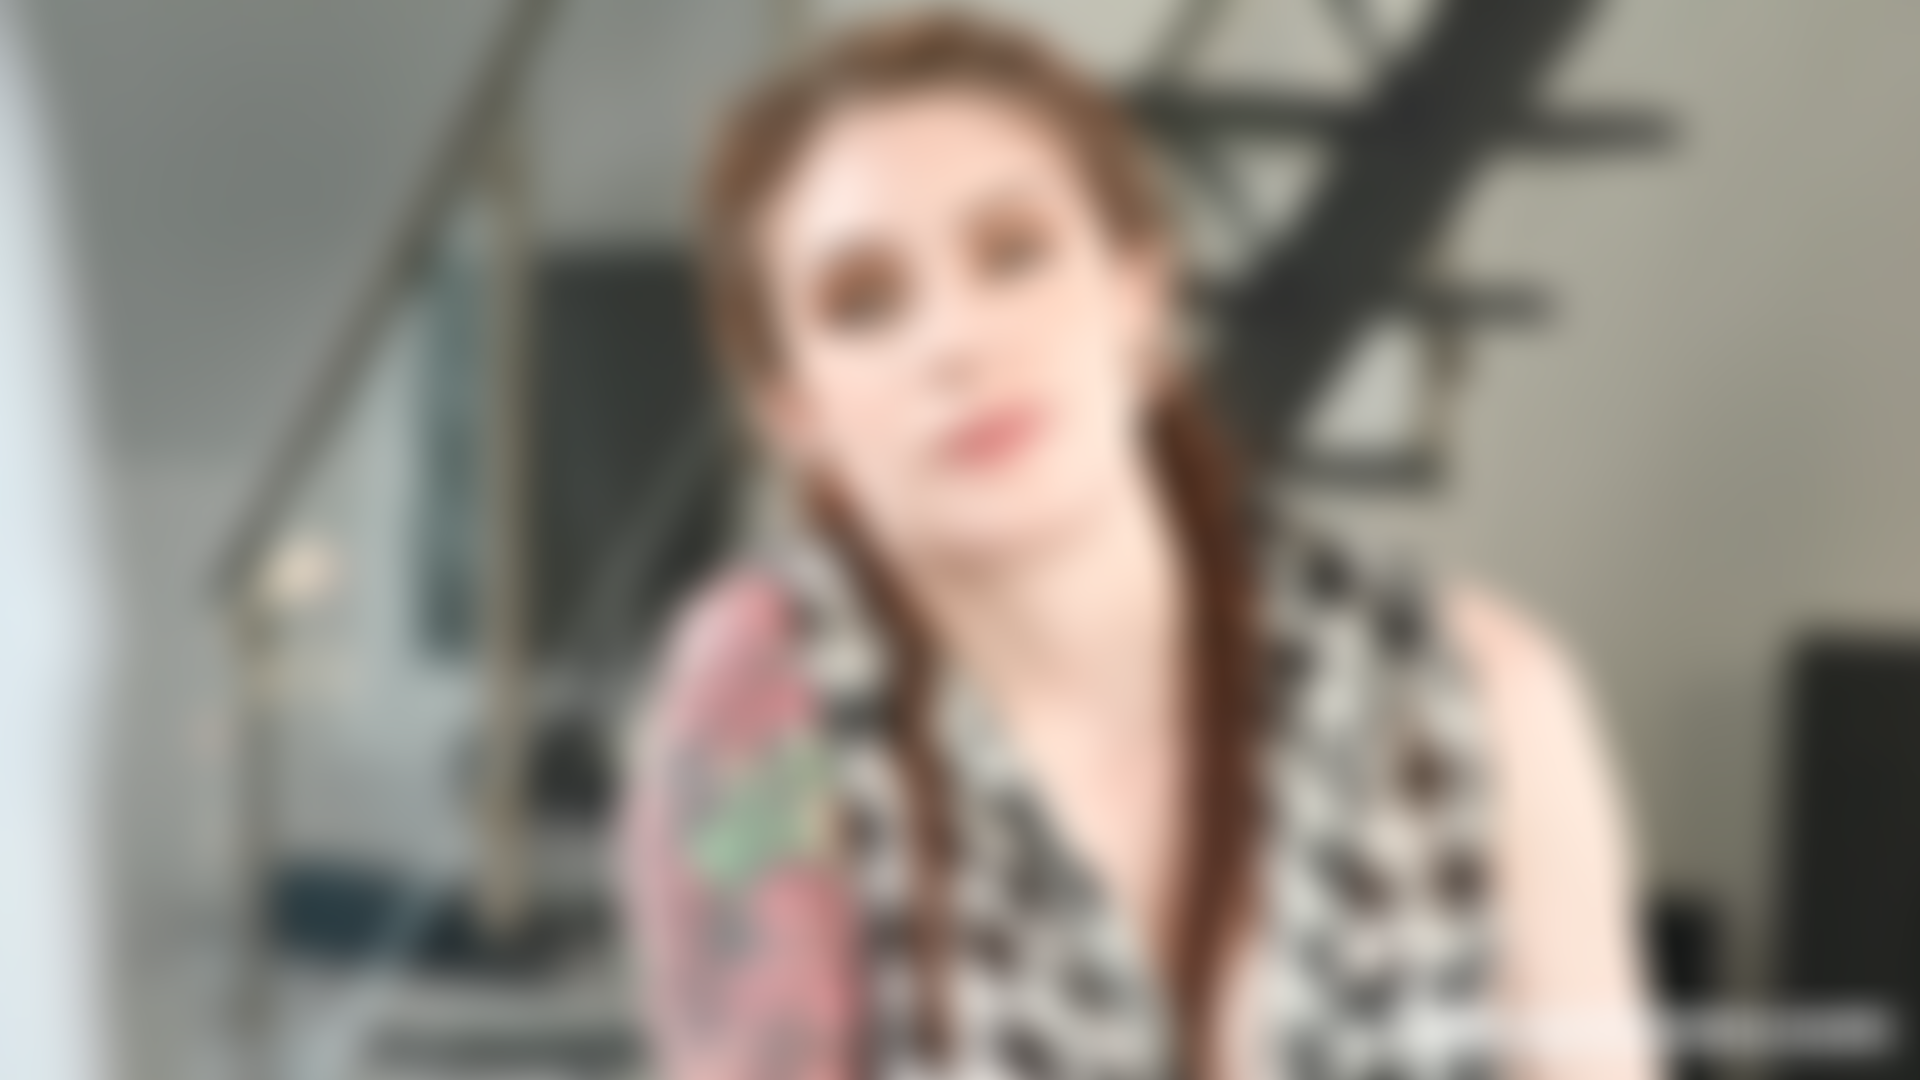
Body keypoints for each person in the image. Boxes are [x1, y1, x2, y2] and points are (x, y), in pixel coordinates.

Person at [618, 11, 1655, 1080]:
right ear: (795, 413)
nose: (954, 341)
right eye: (865, 305)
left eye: (1013, 254)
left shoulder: (1475, 699)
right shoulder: (763, 712)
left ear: (1137, 291)